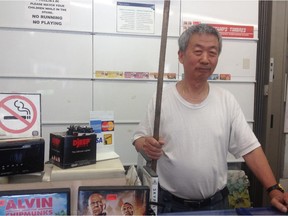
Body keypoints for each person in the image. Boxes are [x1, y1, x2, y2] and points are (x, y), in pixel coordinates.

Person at [132, 23, 288, 213]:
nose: (205, 59)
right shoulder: (162, 99)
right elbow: (139, 138)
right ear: (181, 55)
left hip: (216, 204)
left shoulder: (226, 100)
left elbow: (250, 148)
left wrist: (273, 188)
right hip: (170, 204)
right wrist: (145, 145)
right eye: (198, 52)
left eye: (212, 53)